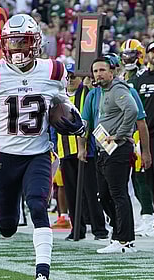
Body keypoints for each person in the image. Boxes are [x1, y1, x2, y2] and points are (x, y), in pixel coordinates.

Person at [0, 15, 85, 280]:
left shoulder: (53, 71)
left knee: (39, 208)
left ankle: (42, 275)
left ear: (36, 42)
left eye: (22, 41)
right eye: (11, 41)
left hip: (37, 155)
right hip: (4, 158)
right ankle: (14, 230)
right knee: (8, 226)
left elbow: (64, 106)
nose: (16, 47)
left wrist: (78, 123)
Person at [78, 57, 138, 253]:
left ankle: (125, 240)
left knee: (118, 193)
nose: (98, 74)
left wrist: (121, 135)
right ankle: (119, 233)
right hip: (104, 149)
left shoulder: (118, 89)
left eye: (102, 70)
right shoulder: (99, 93)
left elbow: (132, 110)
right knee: (104, 195)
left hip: (117, 149)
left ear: (111, 72)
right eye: (95, 71)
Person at [51, 63, 109, 241]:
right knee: (71, 193)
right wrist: (54, 146)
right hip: (65, 150)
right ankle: (78, 229)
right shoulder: (57, 98)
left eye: (73, 76)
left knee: (90, 191)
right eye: (67, 76)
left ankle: (99, 229)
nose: (70, 80)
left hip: (87, 151)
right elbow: (52, 125)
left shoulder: (88, 92)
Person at [131, 41, 154, 237]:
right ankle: (150, 217)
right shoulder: (139, 79)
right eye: (153, 52)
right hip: (144, 134)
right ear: (147, 55)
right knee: (146, 178)